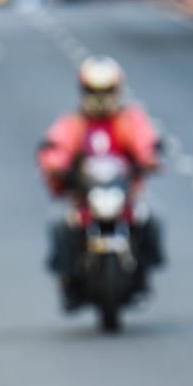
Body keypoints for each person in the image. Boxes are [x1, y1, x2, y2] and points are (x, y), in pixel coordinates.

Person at [36, 54, 165, 308]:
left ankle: (143, 275)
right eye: (94, 91)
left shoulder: (129, 120)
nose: (101, 97)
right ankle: (68, 282)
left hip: (122, 194)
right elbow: (55, 148)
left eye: (107, 91)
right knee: (59, 225)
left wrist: (150, 158)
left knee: (151, 218)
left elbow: (146, 142)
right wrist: (55, 166)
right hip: (85, 197)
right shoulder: (73, 123)